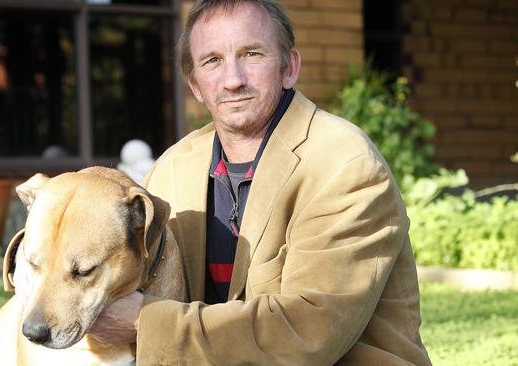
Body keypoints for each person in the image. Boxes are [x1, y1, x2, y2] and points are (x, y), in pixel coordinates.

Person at [79, 1, 432, 364]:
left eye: (251, 54)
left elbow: (306, 333)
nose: (233, 80)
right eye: (212, 61)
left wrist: (143, 320)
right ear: (196, 85)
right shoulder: (172, 168)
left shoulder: (344, 164)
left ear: (289, 68)